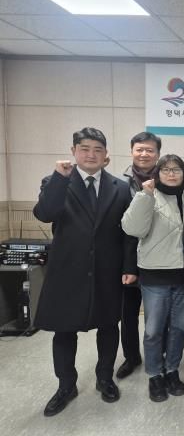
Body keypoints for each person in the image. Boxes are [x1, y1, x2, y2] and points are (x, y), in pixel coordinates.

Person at [33, 127, 137, 417]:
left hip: (108, 271)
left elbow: (128, 233)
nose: (91, 155)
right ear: (73, 152)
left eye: (97, 150)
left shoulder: (120, 187)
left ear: (106, 155)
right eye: (85, 149)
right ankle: (66, 385)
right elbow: (45, 213)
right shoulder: (55, 181)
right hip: (67, 271)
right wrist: (59, 178)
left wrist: (129, 267)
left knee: (108, 326)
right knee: (64, 330)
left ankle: (105, 378)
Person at [121, 154, 184, 402]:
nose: (171, 173)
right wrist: (144, 195)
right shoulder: (148, 196)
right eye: (166, 169)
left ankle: (172, 370)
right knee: (153, 330)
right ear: (157, 173)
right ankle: (155, 374)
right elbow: (132, 229)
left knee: (180, 327)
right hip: (155, 275)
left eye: (176, 169)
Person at [116, 131, 161, 380]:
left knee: (159, 315)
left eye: (149, 150)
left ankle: (159, 356)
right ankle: (131, 357)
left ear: (157, 154)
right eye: (139, 149)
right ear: (132, 151)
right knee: (129, 314)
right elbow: (122, 230)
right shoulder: (120, 184)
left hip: (159, 259)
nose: (144, 154)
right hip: (129, 260)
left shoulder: (166, 180)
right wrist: (128, 266)